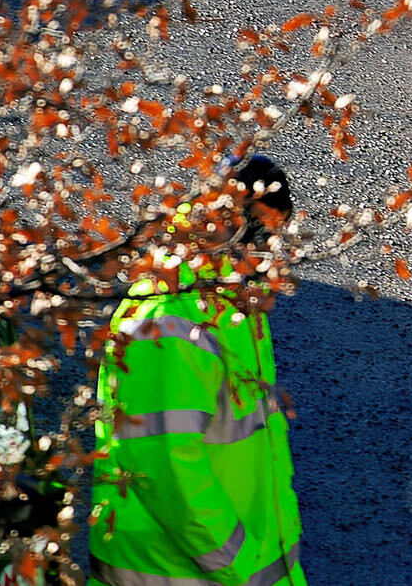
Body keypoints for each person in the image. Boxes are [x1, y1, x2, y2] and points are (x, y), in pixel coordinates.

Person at [90, 157, 304, 586]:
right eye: (263, 235)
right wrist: (238, 563)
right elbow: (167, 470)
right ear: (226, 223)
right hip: (188, 573)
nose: (271, 254)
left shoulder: (231, 304)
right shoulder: (167, 324)